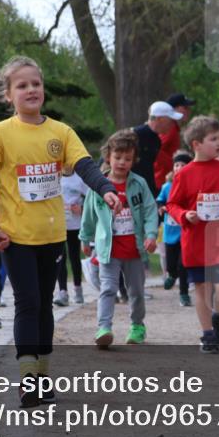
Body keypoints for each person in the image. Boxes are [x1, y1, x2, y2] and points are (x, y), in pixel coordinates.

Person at [0, 56, 121, 408]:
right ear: (9, 95)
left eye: (35, 83)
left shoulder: (60, 132)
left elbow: (84, 165)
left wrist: (105, 188)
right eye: (22, 85)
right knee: (28, 303)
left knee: (45, 306)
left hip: (51, 235)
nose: (31, 90)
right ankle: (27, 381)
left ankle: (42, 377)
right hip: (14, 236)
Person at [164, 115, 219, 353]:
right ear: (196, 144)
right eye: (213, 139)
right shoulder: (184, 174)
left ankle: (218, 315)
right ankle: (208, 333)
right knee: (201, 289)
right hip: (194, 241)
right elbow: (172, 204)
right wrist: (184, 215)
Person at [80, 130, 159, 349]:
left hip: (134, 250)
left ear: (134, 160)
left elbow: (150, 211)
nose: (122, 162)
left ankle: (137, 326)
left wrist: (151, 235)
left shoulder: (139, 184)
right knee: (108, 289)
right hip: (109, 250)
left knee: (136, 292)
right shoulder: (99, 187)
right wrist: (85, 239)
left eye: (128, 159)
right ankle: (104, 328)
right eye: (118, 157)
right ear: (108, 157)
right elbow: (89, 215)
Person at [157, 153, 193, 307]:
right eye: (177, 165)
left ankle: (184, 294)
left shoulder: (192, 186)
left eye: (183, 165)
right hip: (170, 232)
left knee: (183, 264)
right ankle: (172, 275)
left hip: (186, 231)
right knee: (171, 263)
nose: (179, 168)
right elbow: (160, 201)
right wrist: (161, 208)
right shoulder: (167, 187)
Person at [132, 101, 183, 198]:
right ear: (160, 119)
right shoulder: (136, 134)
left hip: (145, 188)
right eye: (171, 121)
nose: (172, 125)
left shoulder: (156, 140)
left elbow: (149, 168)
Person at [54, 169, 89, 306]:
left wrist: (82, 208)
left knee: (74, 257)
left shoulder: (79, 179)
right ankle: (62, 291)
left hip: (75, 225)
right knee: (60, 258)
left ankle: (78, 289)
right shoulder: (55, 177)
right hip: (59, 225)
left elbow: (91, 197)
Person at [155, 92, 195, 191]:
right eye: (185, 107)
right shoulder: (170, 128)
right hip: (161, 180)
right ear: (174, 109)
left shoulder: (173, 127)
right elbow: (155, 149)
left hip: (165, 179)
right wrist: (175, 162)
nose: (189, 110)